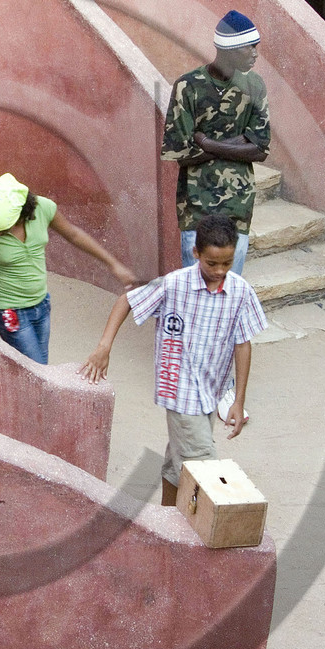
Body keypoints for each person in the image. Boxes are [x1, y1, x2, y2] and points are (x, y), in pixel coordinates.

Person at [80, 214, 267, 507]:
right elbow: (127, 300)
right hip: (180, 392)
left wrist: (238, 399)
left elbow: (243, 344)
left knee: (179, 462)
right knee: (205, 468)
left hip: (210, 390)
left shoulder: (240, 291)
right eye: (212, 263)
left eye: (227, 263)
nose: (219, 271)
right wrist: (105, 346)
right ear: (196, 254)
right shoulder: (174, 284)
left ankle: (166, 521)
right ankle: (196, 537)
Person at [0, 174, 138, 364]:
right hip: (8, 310)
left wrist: (113, 264)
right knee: (38, 371)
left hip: (41, 304)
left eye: (4, 227)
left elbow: (74, 235)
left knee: (37, 370)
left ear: (22, 212)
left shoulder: (43, 209)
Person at [162, 10, 271, 273]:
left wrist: (208, 143)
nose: (256, 54)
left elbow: (260, 149)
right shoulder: (188, 86)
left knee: (230, 290)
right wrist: (239, 142)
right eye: (250, 48)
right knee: (196, 289)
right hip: (196, 209)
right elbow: (180, 152)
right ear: (230, 49)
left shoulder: (254, 85)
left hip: (238, 206)